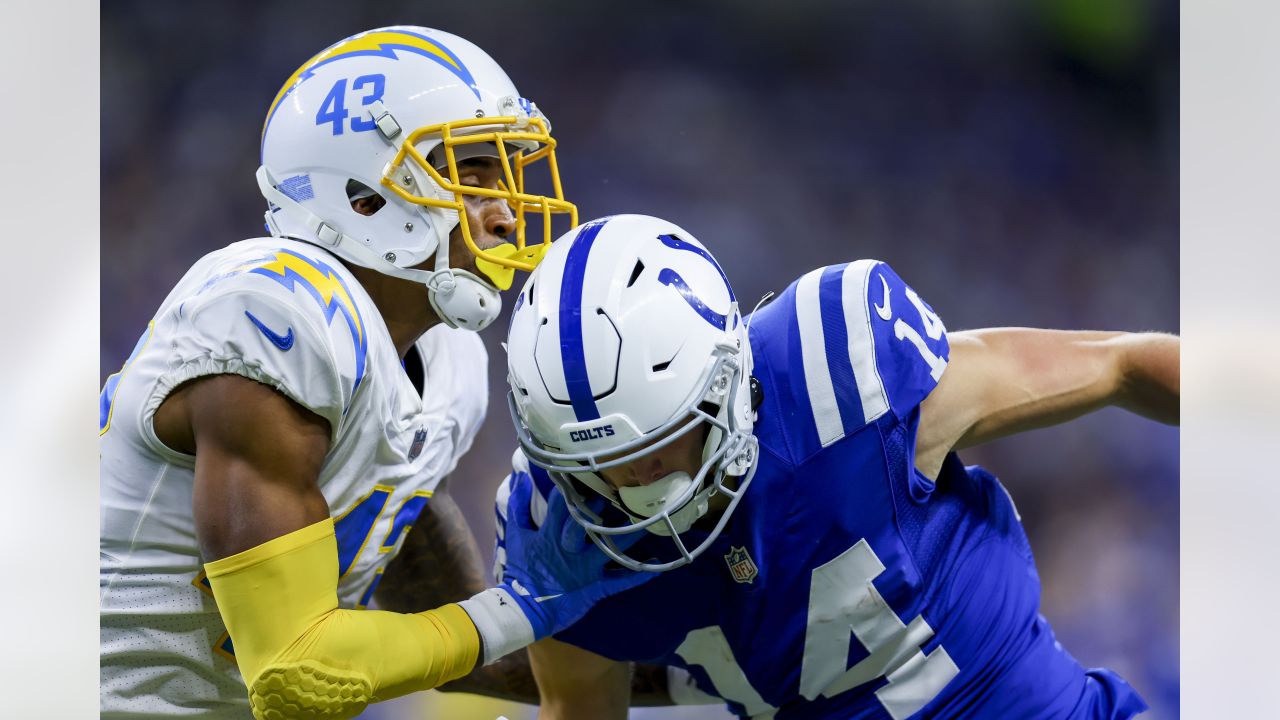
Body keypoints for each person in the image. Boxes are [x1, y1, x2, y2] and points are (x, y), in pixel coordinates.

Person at [99, 25, 650, 719]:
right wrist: (523, 610)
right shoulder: (273, 311)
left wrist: (715, 672)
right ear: (363, 197)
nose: (507, 213)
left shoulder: (446, 358)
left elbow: (438, 639)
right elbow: (298, 672)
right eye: (471, 174)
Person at [495, 213, 1179, 719]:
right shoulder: (558, 537)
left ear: (723, 385)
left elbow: (1118, 364)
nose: (640, 478)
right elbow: (578, 706)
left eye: (660, 440)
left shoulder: (836, 381)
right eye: (602, 462)